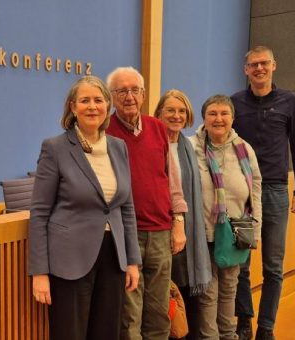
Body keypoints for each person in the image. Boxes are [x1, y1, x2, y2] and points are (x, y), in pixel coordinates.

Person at [28, 75, 141, 340]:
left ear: (107, 106)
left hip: (112, 258)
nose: (93, 106)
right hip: (69, 260)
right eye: (85, 100)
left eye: (99, 100)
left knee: (107, 333)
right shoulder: (55, 148)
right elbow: (40, 213)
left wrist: (132, 261)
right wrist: (39, 272)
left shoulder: (118, 147)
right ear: (72, 107)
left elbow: (126, 208)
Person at [232, 46, 295, 340]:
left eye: (264, 63)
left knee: (273, 266)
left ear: (274, 65)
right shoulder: (235, 102)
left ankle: (266, 327)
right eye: (254, 65)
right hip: (243, 190)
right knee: (240, 264)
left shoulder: (289, 101)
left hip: (276, 190)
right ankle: (244, 323)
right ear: (246, 70)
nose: (259, 69)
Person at [106, 66, 188, 340]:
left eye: (134, 90)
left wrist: (178, 223)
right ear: (111, 96)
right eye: (121, 91)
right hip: (126, 234)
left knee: (158, 312)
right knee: (130, 316)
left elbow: (172, 182)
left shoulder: (158, 128)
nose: (129, 96)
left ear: (143, 94)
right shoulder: (105, 132)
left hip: (161, 233)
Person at [190, 94, 262, 340]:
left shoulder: (244, 148)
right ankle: (210, 337)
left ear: (233, 118)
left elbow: (256, 189)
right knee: (208, 292)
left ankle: (228, 334)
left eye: (224, 114)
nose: (218, 119)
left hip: (235, 233)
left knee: (230, 288)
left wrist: (257, 230)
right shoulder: (192, 147)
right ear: (204, 118)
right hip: (203, 232)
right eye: (212, 113)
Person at [154, 89, 212, 339]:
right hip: (159, 230)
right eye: (170, 110)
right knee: (165, 296)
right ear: (159, 113)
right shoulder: (152, 142)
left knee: (185, 293)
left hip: (188, 233)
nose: (176, 116)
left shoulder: (189, 147)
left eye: (181, 111)